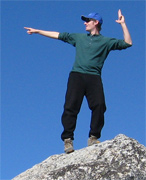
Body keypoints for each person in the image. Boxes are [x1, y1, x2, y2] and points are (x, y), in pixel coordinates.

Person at [24, 9, 132, 154]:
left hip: (94, 77)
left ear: (96, 23)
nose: (85, 23)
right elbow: (59, 35)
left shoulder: (106, 42)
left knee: (99, 106)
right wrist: (38, 31)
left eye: (88, 21)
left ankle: (93, 137)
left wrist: (123, 24)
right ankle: (68, 139)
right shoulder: (79, 38)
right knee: (71, 106)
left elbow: (128, 43)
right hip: (77, 76)